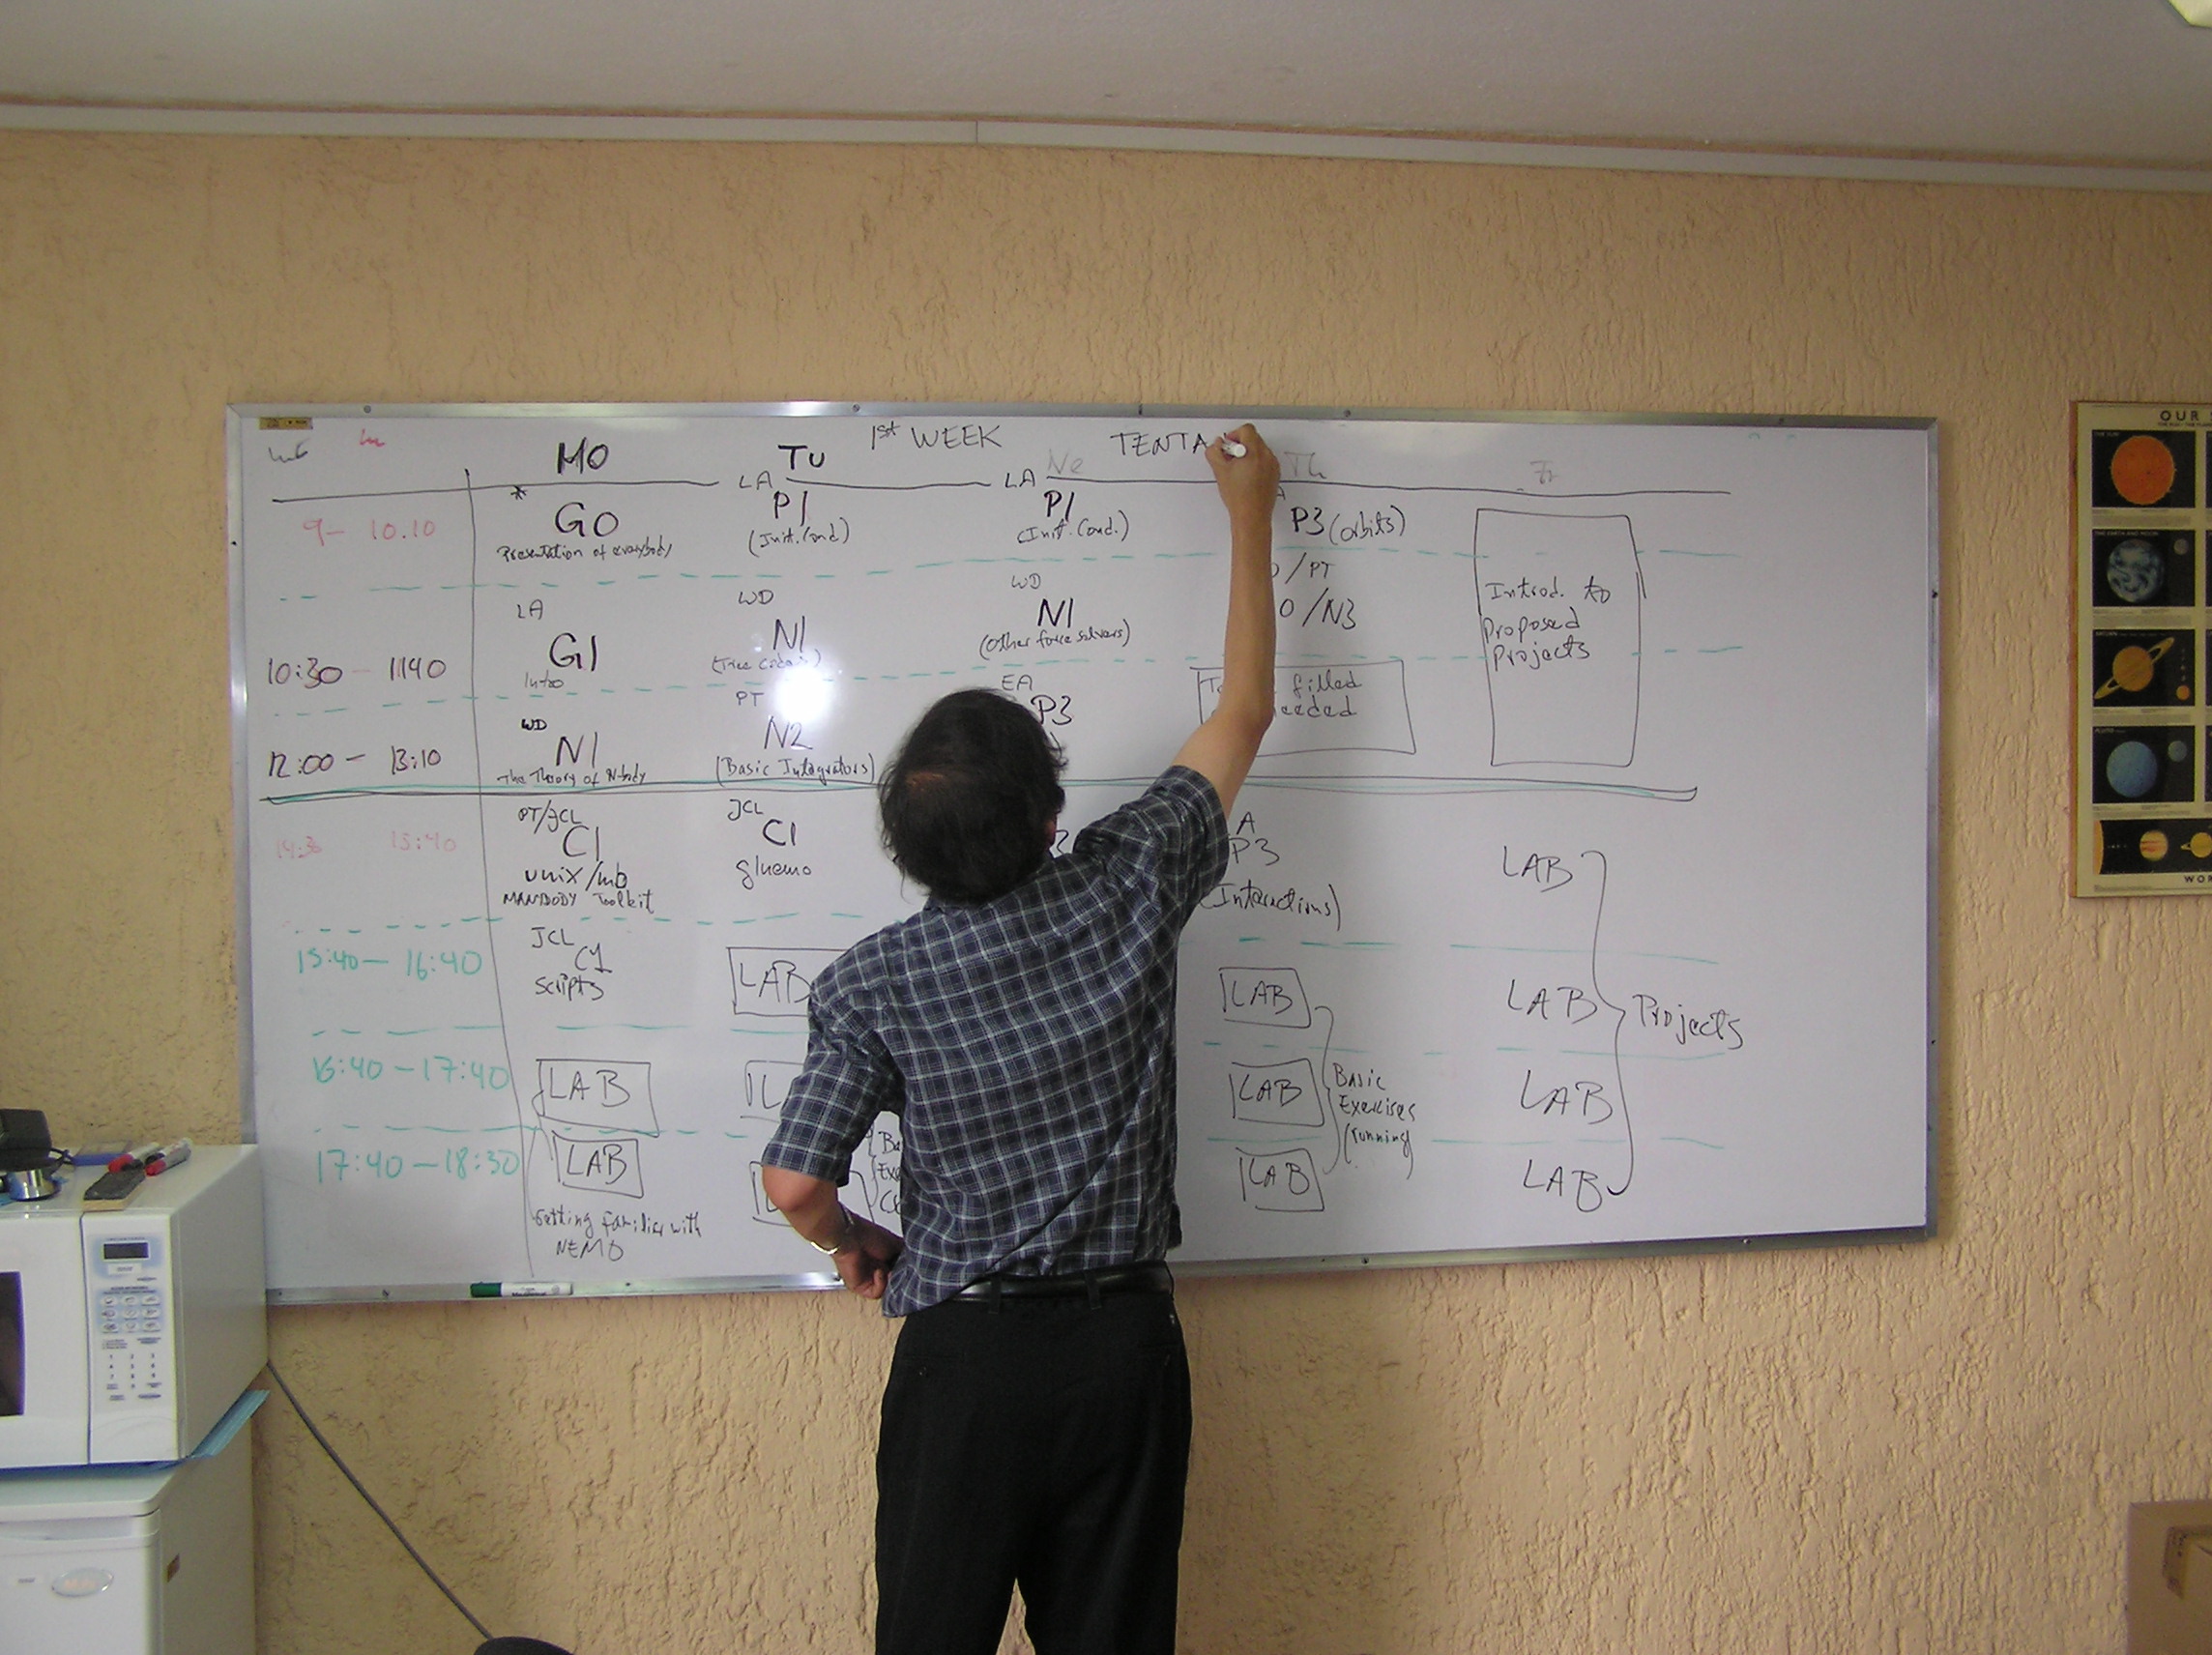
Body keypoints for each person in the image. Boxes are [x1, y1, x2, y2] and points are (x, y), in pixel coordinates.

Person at [759, 423, 1281, 1655]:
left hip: (966, 1362)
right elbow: (1244, 712)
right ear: (1051, 816)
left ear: (904, 847)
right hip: (1118, 1351)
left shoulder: (873, 981)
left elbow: (793, 1182)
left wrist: (849, 1239)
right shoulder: (1129, 881)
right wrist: (1249, 514)